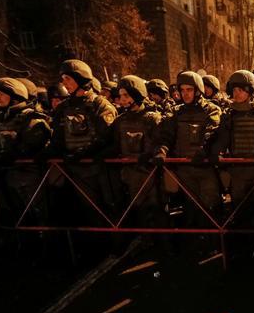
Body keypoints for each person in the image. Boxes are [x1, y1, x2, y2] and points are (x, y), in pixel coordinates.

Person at [49, 59, 119, 222]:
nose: (64, 83)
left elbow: (105, 136)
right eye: (63, 79)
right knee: (84, 212)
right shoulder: (63, 108)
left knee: (108, 210)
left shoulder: (99, 105)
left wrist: (86, 152)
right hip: (73, 170)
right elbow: (58, 138)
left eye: (68, 78)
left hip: (98, 170)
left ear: (80, 79)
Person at [155, 71, 222, 226]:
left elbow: (212, 131)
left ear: (198, 90)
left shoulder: (211, 110)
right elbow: (167, 134)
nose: (185, 94)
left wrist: (204, 150)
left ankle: (213, 243)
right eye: (182, 90)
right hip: (184, 168)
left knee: (210, 205)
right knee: (191, 206)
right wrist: (162, 151)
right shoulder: (176, 112)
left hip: (205, 168)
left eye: (189, 90)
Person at [210, 70, 254, 226]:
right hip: (239, 168)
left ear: (249, 91)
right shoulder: (229, 114)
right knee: (240, 206)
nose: (236, 94)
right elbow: (223, 138)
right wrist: (215, 152)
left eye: (240, 90)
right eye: (234, 90)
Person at [0, 78, 51, 223]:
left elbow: (33, 143)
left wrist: (14, 154)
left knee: (40, 217)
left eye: (0, 93)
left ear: (14, 95)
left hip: (30, 177)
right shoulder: (0, 118)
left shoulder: (31, 117)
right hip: (10, 177)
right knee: (20, 218)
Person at [106, 75, 163, 225]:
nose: (122, 99)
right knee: (138, 213)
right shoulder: (120, 121)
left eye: (126, 95)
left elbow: (159, 142)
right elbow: (114, 144)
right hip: (129, 175)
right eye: (120, 95)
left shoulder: (152, 118)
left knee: (156, 212)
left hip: (150, 174)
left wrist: (150, 154)